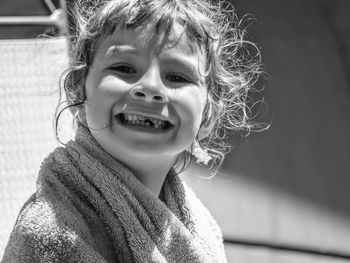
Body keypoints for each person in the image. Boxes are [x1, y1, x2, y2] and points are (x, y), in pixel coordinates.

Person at [2, 0, 262, 262]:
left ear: (208, 116)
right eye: (124, 69)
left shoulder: (201, 226)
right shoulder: (54, 231)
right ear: (78, 90)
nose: (150, 87)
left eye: (177, 77)